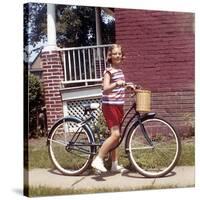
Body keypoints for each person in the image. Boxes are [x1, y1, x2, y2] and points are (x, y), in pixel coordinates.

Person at [91, 44, 135, 173]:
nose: (117, 55)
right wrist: (116, 84)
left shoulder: (120, 71)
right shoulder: (108, 71)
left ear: (122, 56)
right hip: (110, 105)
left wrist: (128, 85)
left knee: (116, 136)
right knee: (116, 134)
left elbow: (119, 86)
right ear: (110, 56)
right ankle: (98, 159)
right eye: (115, 53)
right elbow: (105, 88)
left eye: (119, 53)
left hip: (118, 105)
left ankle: (115, 165)